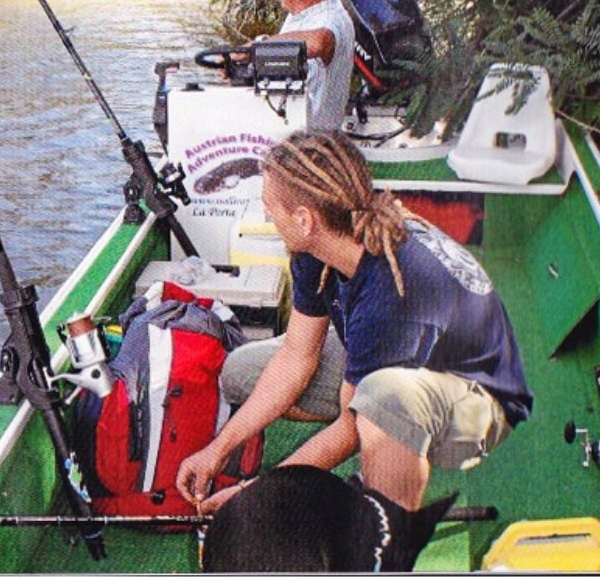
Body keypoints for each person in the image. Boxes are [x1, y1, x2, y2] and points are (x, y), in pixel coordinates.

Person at [176, 130, 532, 516]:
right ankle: (364, 390)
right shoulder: (320, 242)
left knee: (373, 430)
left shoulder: (391, 295)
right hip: (399, 345)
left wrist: (261, 492)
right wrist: (217, 449)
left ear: (303, 218)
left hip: (478, 404)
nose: (267, 216)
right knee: (241, 373)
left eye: (269, 206)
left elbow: (351, 427)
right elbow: (297, 354)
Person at [260, 0, 355, 131]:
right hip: (292, 126)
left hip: (314, 138)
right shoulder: (301, 14)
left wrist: (258, 47)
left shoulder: (331, 18)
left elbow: (319, 42)